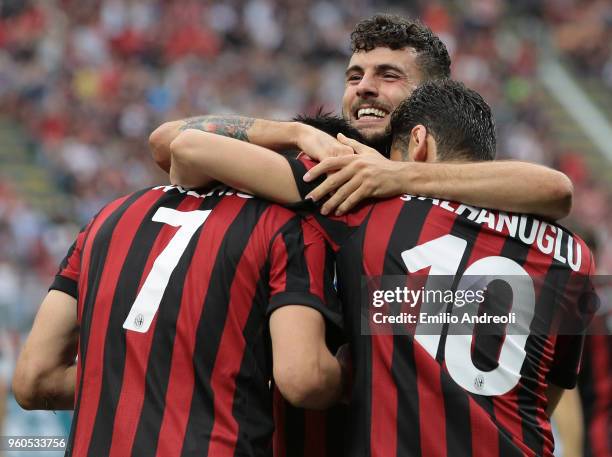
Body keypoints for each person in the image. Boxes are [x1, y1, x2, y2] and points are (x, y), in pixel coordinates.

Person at [167, 78, 596, 457]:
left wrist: (297, 133)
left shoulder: (373, 205)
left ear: (418, 144)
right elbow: (549, 393)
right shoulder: (573, 254)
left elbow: (187, 145)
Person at [12, 183, 345, 457]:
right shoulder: (287, 227)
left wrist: (141, 374)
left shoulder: (109, 216)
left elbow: (33, 380)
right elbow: (304, 379)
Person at [149, 14, 574, 222]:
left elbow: (555, 191)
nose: (363, 87)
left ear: (433, 94)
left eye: (388, 76)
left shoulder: (455, 165)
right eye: (354, 76)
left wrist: (394, 176)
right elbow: (167, 141)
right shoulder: (327, 157)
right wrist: (294, 132)